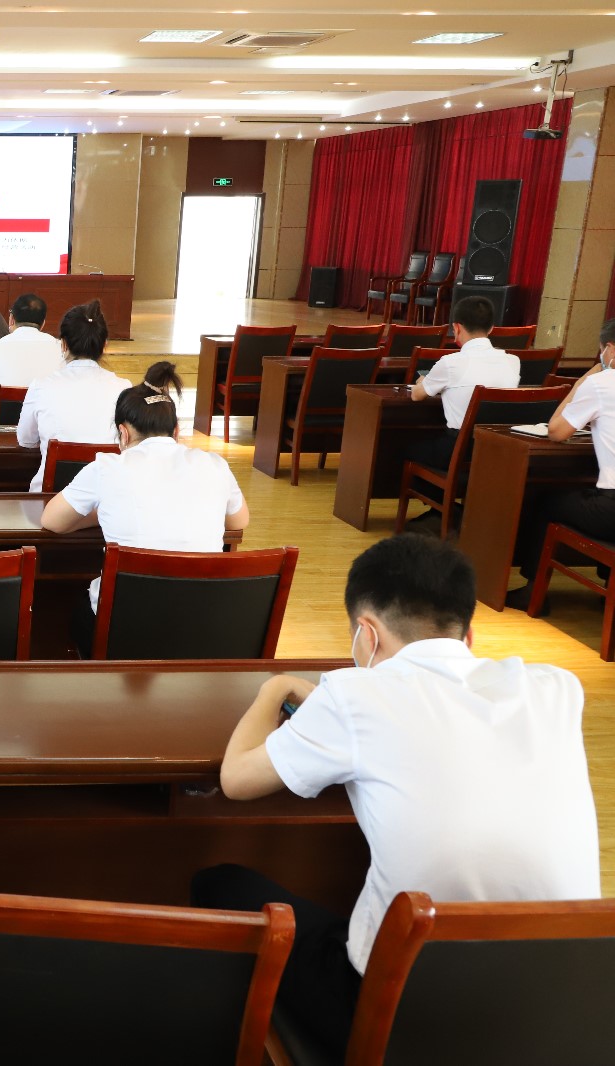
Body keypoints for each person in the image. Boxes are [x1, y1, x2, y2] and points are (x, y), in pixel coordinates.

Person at [201, 534, 600, 1059]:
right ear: (468, 635)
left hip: (403, 1018)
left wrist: (275, 688)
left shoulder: (354, 694)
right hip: (557, 1011)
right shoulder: (556, 688)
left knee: (219, 882)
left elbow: (236, 779)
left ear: (365, 634)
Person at [41, 365, 249, 652]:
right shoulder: (214, 464)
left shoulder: (107, 466)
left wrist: (103, 514)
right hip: (199, 627)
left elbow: (52, 521)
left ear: (123, 433)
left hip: (123, 631)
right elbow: (239, 521)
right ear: (176, 431)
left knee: (64, 609)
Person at [505, 318, 615, 611]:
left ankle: (533, 593)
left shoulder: (601, 383)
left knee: (546, 503)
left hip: (612, 510)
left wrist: (583, 380)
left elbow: (556, 431)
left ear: (610, 348)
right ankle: (609, 591)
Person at [14, 300, 133, 490]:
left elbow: (26, 440)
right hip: (105, 495)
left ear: (63, 344)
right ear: (105, 345)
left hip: (51, 496)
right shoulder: (124, 388)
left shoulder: (41, 386)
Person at [408, 295, 519, 469]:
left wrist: (423, 380)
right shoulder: (513, 361)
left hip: (457, 451)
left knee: (403, 448)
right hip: (497, 450)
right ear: (491, 328)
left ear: (457, 327)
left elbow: (416, 395)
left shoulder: (450, 363)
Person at [0, 293, 63, 400]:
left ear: (11, 319)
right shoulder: (62, 348)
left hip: (6, 411)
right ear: (43, 324)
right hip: (47, 411)